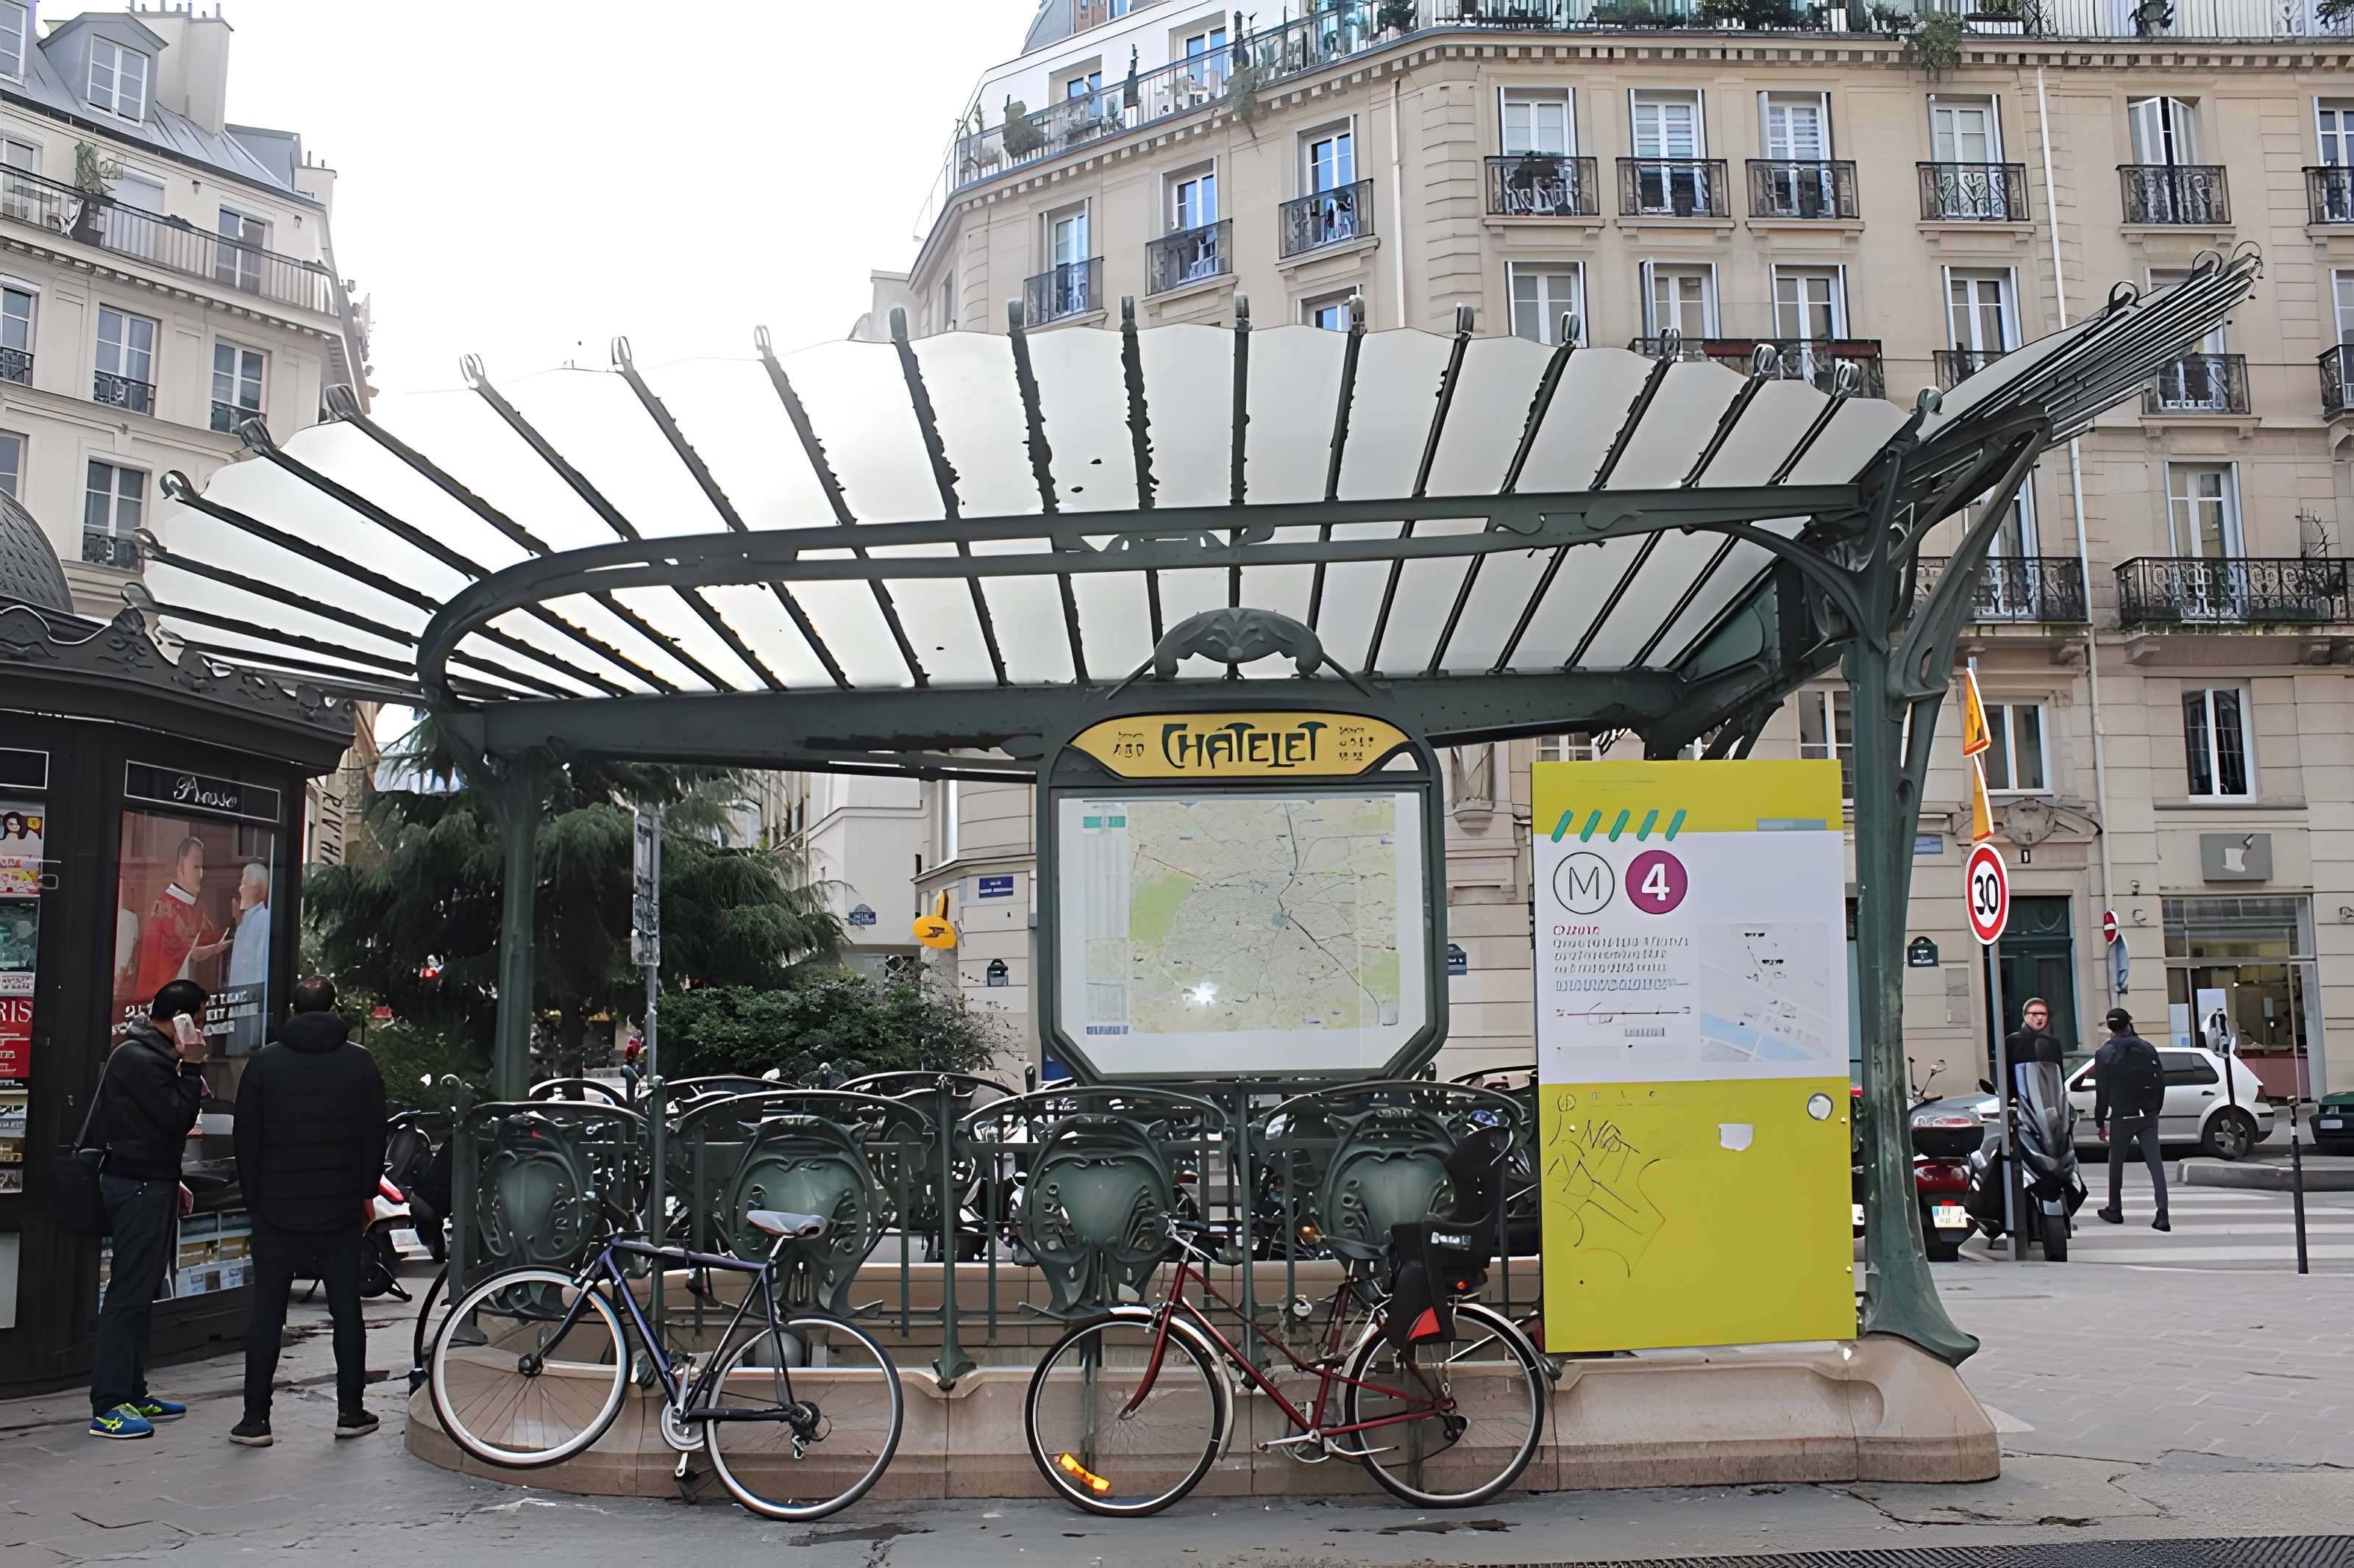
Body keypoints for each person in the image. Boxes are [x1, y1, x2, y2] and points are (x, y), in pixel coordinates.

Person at [230, 975, 386, 1447]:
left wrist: (256, 1200)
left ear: (292, 1011)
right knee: (347, 1312)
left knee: (267, 1312)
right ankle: (350, 1411)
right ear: (335, 1009)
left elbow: (245, 1139)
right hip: (338, 1208)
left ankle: (255, 1419)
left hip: (276, 1207)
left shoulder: (264, 1063)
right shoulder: (359, 1062)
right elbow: (374, 1136)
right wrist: (363, 1193)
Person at [85, 978, 207, 1439]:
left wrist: (172, 1178)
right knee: (126, 1294)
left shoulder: (150, 1054)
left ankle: (133, 1393)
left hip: (151, 1180)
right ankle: (108, 1405)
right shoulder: (140, 1057)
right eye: (198, 1021)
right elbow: (176, 1118)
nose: (201, 1031)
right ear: (180, 1019)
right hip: (136, 1186)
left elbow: (147, 1127)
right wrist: (192, 1067)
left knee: (139, 1294)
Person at [2093, 1005, 2169, 1232]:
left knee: (2116, 1163)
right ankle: (2163, 1214)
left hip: (2122, 1115)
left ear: (2111, 1028)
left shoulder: (2105, 1053)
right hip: (2147, 1114)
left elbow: (2102, 1091)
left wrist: (2100, 1122)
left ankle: (2115, 1209)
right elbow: (2161, 1080)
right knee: (2155, 1164)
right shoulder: (2146, 1047)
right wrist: (2155, 1109)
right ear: (2129, 1023)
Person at [133, 836, 221, 1000]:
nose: (201, 875)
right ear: (181, 866)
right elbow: (178, 953)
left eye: (203, 868)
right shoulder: (165, 908)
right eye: (196, 867)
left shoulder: (200, 909)